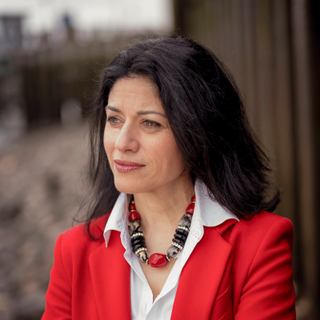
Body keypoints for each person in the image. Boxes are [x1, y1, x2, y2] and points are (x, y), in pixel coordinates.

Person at [42, 36, 295, 320]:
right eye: (114, 119)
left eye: (150, 123)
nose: (122, 143)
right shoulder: (73, 251)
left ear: (199, 132)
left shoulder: (260, 245)